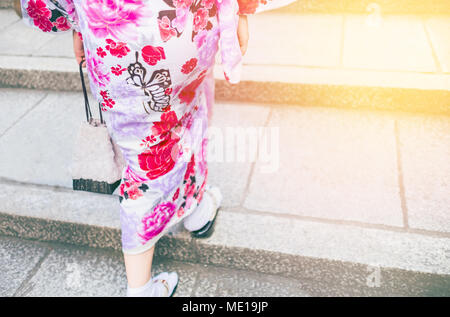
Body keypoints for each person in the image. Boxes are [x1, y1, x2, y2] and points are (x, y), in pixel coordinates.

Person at [15, 0, 296, 297]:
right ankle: (192, 218)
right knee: (189, 116)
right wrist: (242, 9)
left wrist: (77, 20)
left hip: (113, 38)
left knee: (145, 155)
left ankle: (150, 275)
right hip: (184, 31)